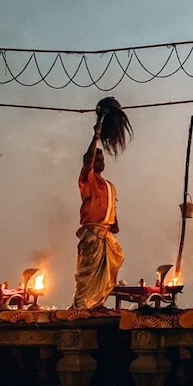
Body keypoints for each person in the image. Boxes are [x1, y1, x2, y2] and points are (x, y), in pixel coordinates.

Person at [73, 122, 124, 309]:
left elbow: (112, 207)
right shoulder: (88, 179)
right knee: (88, 272)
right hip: (93, 232)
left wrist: (114, 223)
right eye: (97, 160)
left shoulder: (110, 185)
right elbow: (88, 160)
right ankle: (82, 305)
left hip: (106, 234)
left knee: (115, 261)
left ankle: (98, 301)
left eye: (103, 160)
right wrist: (96, 136)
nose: (101, 163)